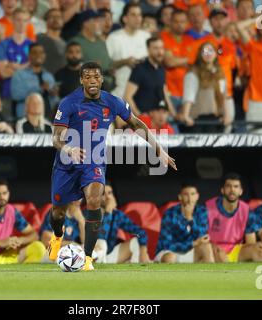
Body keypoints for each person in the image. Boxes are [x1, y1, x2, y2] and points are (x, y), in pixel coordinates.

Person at [48, 61, 177, 271]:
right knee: (58, 214)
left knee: (94, 199)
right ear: (81, 80)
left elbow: (136, 124)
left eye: (96, 77)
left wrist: (159, 150)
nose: (92, 81)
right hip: (67, 163)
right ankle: (57, 236)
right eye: (87, 77)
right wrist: (69, 149)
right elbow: (56, 138)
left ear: (101, 79)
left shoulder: (112, 101)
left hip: (94, 161)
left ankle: (88, 258)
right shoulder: (68, 103)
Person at [207, 173, 262, 262]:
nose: (232, 190)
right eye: (228, 186)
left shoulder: (247, 211)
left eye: (236, 186)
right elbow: (201, 239)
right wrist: (214, 248)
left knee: (259, 250)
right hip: (213, 249)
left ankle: (253, 275)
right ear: (222, 190)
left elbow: (250, 242)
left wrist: (255, 248)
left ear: (241, 191)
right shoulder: (207, 208)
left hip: (236, 250)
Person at [155, 184, 214, 263]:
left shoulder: (201, 211)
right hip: (171, 251)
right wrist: (192, 244)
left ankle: (210, 274)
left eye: (192, 194)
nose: (190, 198)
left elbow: (201, 237)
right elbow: (167, 244)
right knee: (169, 257)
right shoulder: (170, 213)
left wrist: (190, 219)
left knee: (207, 247)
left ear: (197, 196)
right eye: (186, 194)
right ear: (180, 197)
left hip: (192, 250)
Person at [93, 183, 150, 264]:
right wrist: (108, 212)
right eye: (103, 194)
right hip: (94, 254)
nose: (108, 197)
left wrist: (143, 250)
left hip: (109, 255)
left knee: (136, 241)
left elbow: (140, 232)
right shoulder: (90, 213)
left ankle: (137, 272)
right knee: (101, 244)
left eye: (110, 193)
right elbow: (101, 238)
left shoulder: (117, 214)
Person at [179, 42, 226, 133]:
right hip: (197, 119)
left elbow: (222, 94)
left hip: (214, 119)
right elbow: (189, 96)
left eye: (211, 51)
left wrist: (225, 114)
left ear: (216, 54)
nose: (208, 54)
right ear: (200, 54)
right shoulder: (193, 72)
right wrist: (186, 116)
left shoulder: (220, 73)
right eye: (205, 51)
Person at [0, 7, 34, 119]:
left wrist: (13, 67)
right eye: (18, 20)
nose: (21, 23)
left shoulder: (32, 46)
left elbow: (34, 71)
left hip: (27, 96)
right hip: (7, 94)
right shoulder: (3, 44)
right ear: (12, 20)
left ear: (29, 22)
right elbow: (4, 73)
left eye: (25, 20)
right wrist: (26, 66)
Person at [106, 3, 151, 99]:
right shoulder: (114, 38)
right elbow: (107, 66)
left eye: (139, 15)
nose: (138, 18)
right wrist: (125, 62)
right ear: (125, 18)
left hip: (144, 93)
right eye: (133, 15)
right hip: (121, 92)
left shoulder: (146, 36)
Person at [124, 36, 175, 117]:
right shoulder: (139, 69)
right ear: (148, 50)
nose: (160, 52)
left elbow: (165, 93)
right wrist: (139, 116)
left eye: (161, 48)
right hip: (144, 119)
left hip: (159, 118)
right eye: (156, 48)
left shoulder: (161, 69)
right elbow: (127, 96)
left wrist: (173, 114)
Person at [10, 42, 57, 119]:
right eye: (34, 52)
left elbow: (54, 101)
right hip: (27, 119)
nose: (38, 55)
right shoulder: (19, 75)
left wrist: (54, 95)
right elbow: (16, 95)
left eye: (41, 52)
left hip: (49, 119)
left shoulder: (49, 76)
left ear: (44, 55)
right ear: (29, 55)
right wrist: (39, 89)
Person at [36, 8, 66, 75]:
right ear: (46, 20)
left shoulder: (65, 44)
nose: (56, 19)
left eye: (59, 17)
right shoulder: (39, 39)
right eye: (52, 17)